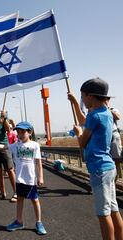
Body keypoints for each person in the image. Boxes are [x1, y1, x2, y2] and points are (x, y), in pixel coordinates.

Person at [71, 78, 123, 240]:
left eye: (83, 97)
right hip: (108, 167)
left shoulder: (93, 115)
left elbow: (82, 142)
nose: (83, 100)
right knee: (113, 209)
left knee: (103, 213)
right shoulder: (107, 113)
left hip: (99, 168)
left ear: (90, 96)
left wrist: (78, 132)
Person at [0, 121, 46, 235]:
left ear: (29, 132)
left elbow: (38, 162)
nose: (20, 134)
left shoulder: (35, 145)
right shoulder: (15, 146)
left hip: (30, 179)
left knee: (35, 200)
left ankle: (39, 222)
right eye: (18, 132)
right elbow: (4, 147)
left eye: (23, 132)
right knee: (19, 199)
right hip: (19, 179)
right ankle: (19, 221)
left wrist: (40, 177)